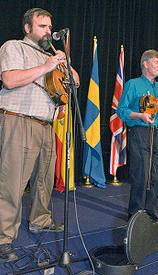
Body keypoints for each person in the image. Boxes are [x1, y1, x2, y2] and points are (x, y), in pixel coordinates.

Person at [0, 8, 79, 262]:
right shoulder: (14, 47)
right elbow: (10, 80)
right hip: (18, 120)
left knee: (44, 180)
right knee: (11, 183)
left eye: (49, 27)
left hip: (46, 125)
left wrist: (64, 62)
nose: (48, 31)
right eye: (42, 26)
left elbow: (75, 82)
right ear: (28, 28)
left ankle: (40, 220)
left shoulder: (52, 55)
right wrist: (46, 66)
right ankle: (3, 239)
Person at [117, 49, 158, 221]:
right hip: (139, 132)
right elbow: (121, 110)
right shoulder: (133, 84)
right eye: (156, 62)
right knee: (141, 173)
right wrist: (140, 116)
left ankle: (153, 209)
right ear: (145, 64)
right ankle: (135, 212)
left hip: (157, 133)